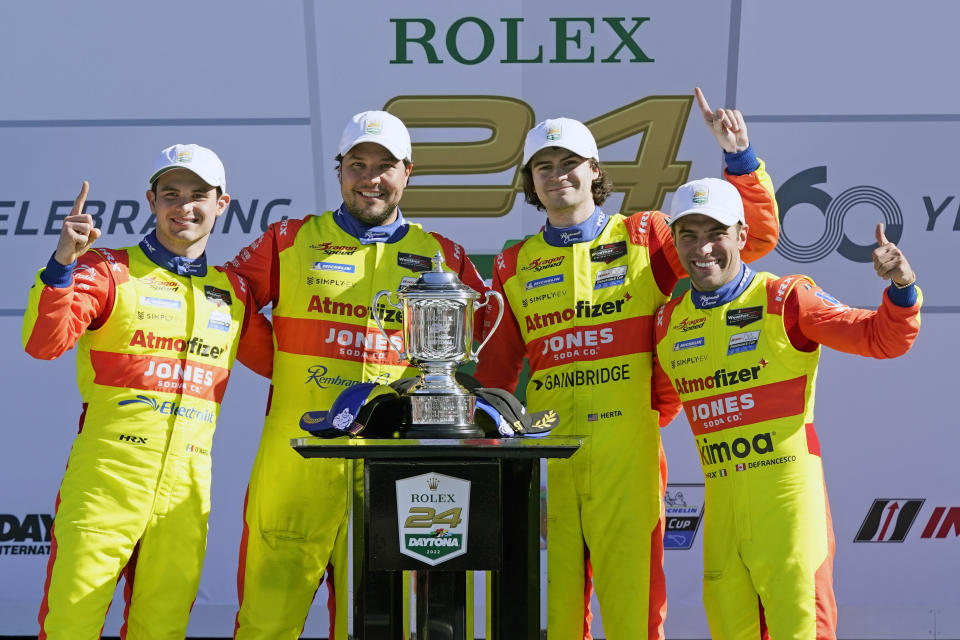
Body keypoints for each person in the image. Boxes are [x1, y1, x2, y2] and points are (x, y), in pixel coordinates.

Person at [473, 88, 780, 639]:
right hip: (550, 455)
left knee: (634, 604)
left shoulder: (645, 236)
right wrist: (496, 462)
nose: (556, 175)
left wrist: (741, 162)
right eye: (542, 167)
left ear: (595, 172)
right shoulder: (515, 262)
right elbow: (496, 373)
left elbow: (746, 241)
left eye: (569, 163)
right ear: (530, 182)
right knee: (556, 608)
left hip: (628, 448)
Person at [224, 110, 487, 639]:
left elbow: (477, 345)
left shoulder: (440, 255)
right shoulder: (291, 239)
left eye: (384, 165)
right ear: (339, 169)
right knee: (266, 619)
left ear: (407, 172)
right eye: (357, 164)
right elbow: (226, 303)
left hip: (393, 463)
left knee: (375, 624)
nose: (370, 177)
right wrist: (278, 361)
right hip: (297, 456)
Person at [651, 178, 921, 639]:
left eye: (715, 232)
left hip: (789, 510)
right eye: (688, 235)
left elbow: (883, 338)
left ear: (741, 234)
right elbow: (653, 408)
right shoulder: (669, 322)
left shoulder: (785, 298)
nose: (702, 249)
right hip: (722, 521)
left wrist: (901, 285)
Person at [22, 144, 273, 640]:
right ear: (151, 200)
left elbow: (291, 362)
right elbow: (44, 343)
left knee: (161, 629)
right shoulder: (107, 269)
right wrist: (61, 264)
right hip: (107, 479)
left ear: (222, 204)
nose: (185, 206)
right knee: (71, 625)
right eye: (171, 194)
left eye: (199, 194)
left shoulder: (233, 292)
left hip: (187, 490)